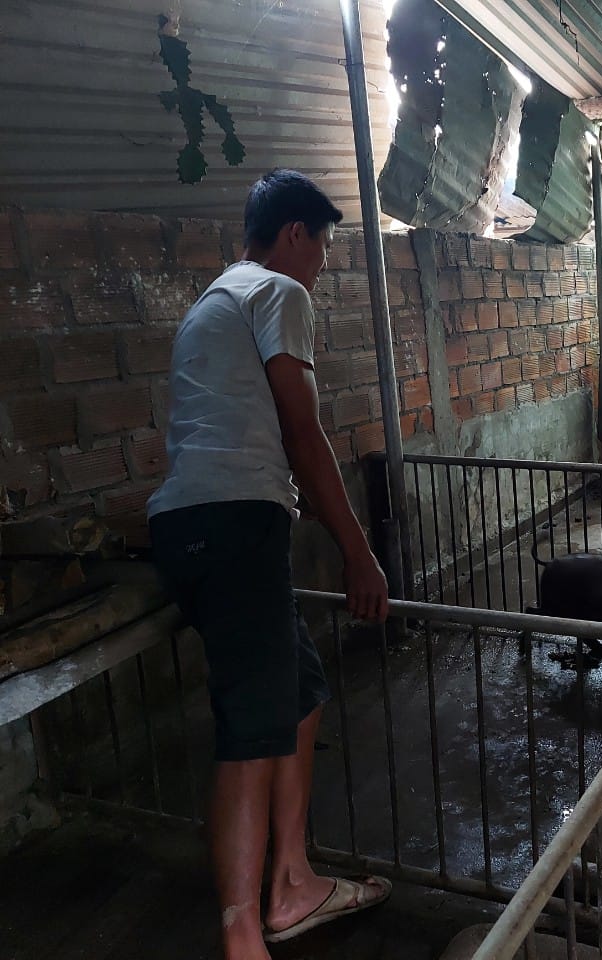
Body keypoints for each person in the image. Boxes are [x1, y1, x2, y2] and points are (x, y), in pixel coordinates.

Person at [148, 169, 393, 960]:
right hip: (234, 523)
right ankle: (243, 933)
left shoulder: (214, 300)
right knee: (252, 732)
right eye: (321, 246)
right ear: (296, 235)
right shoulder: (277, 293)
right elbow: (302, 432)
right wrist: (360, 554)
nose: (322, 264)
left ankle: (292, 878)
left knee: (300, 690)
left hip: (199, 528)